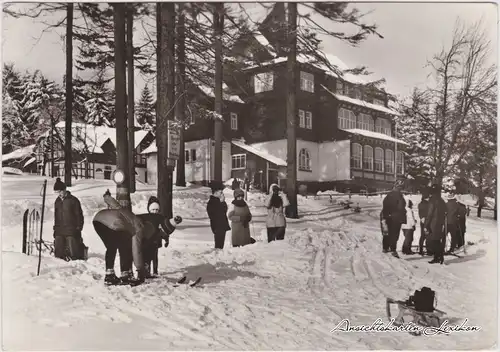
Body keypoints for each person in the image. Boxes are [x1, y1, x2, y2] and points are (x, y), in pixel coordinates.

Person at [92, 191, 149, 286]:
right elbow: (136, 250)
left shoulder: (127, 213)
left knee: (111, 247)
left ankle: (109, 275)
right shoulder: (139, 226)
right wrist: (140, 269)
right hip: (115, 224)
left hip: (98, 220)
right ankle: (125, 275)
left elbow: (116, 205)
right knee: (125, 248)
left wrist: (107, 197)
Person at [137, 196, 183, 277]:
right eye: (153, 210)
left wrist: (166, 239)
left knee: (154, 257)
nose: (155, 212)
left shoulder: (161, 218)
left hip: (156, 241)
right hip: (147, 241)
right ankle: (146, 271)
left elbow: (165, 228)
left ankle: (155, 271)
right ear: (149, 209)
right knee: (147, 256)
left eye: (157, 210)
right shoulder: (146, 217)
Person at [53, 177, 86, 260]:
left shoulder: (73, 200)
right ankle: (60, 262)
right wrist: (55, 229)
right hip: (60, 229)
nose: (59, 194)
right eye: (57, 192)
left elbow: (79, 215)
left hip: (71, 228)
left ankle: (75, 260)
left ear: (64, 190)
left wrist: (79, 227)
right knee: (58, 248)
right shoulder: (57, 201)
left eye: (60, 191)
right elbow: (56, 216)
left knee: (73, 246)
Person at [381, 180, 407, 258]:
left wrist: (385, 216)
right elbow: (401, 207)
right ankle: (393, 250)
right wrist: (403, 211)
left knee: (387, 232)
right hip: (396, 217)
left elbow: (385, 206)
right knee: (394, 234)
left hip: (386, 216)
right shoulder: (399, 196)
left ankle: (385, 248)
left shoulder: (388, 195)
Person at [423, 183, 447, 264]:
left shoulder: (432, 200)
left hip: (433, 223)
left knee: (432, 241)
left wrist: (426, 225)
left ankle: (439, 256)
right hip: (440, 223)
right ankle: (438, 257)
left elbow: (429, 214)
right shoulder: (441, 200)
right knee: (436, 240)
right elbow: (445, 212)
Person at [206, 181, 231, 249]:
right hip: (217, 226)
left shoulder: (219, 201)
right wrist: (221, 203)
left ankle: (219, 255)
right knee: (218, 245)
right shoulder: (212, 202)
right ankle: (216, 256)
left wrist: (222, 202)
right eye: (221, 192)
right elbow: (215, 214)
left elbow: (224, 211)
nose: (222, 194)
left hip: (222, 225)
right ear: (216, 193)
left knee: (221, 245)